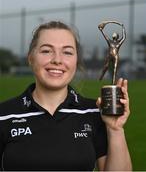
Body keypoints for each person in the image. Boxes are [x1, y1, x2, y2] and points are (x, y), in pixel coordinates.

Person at [0, 21, 132, 171]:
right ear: (31, 58)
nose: (57, 60)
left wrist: (115, 130)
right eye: (46, 51)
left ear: (76, 61)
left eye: (67, 52)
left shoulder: (95, 112)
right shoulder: (3, 115)